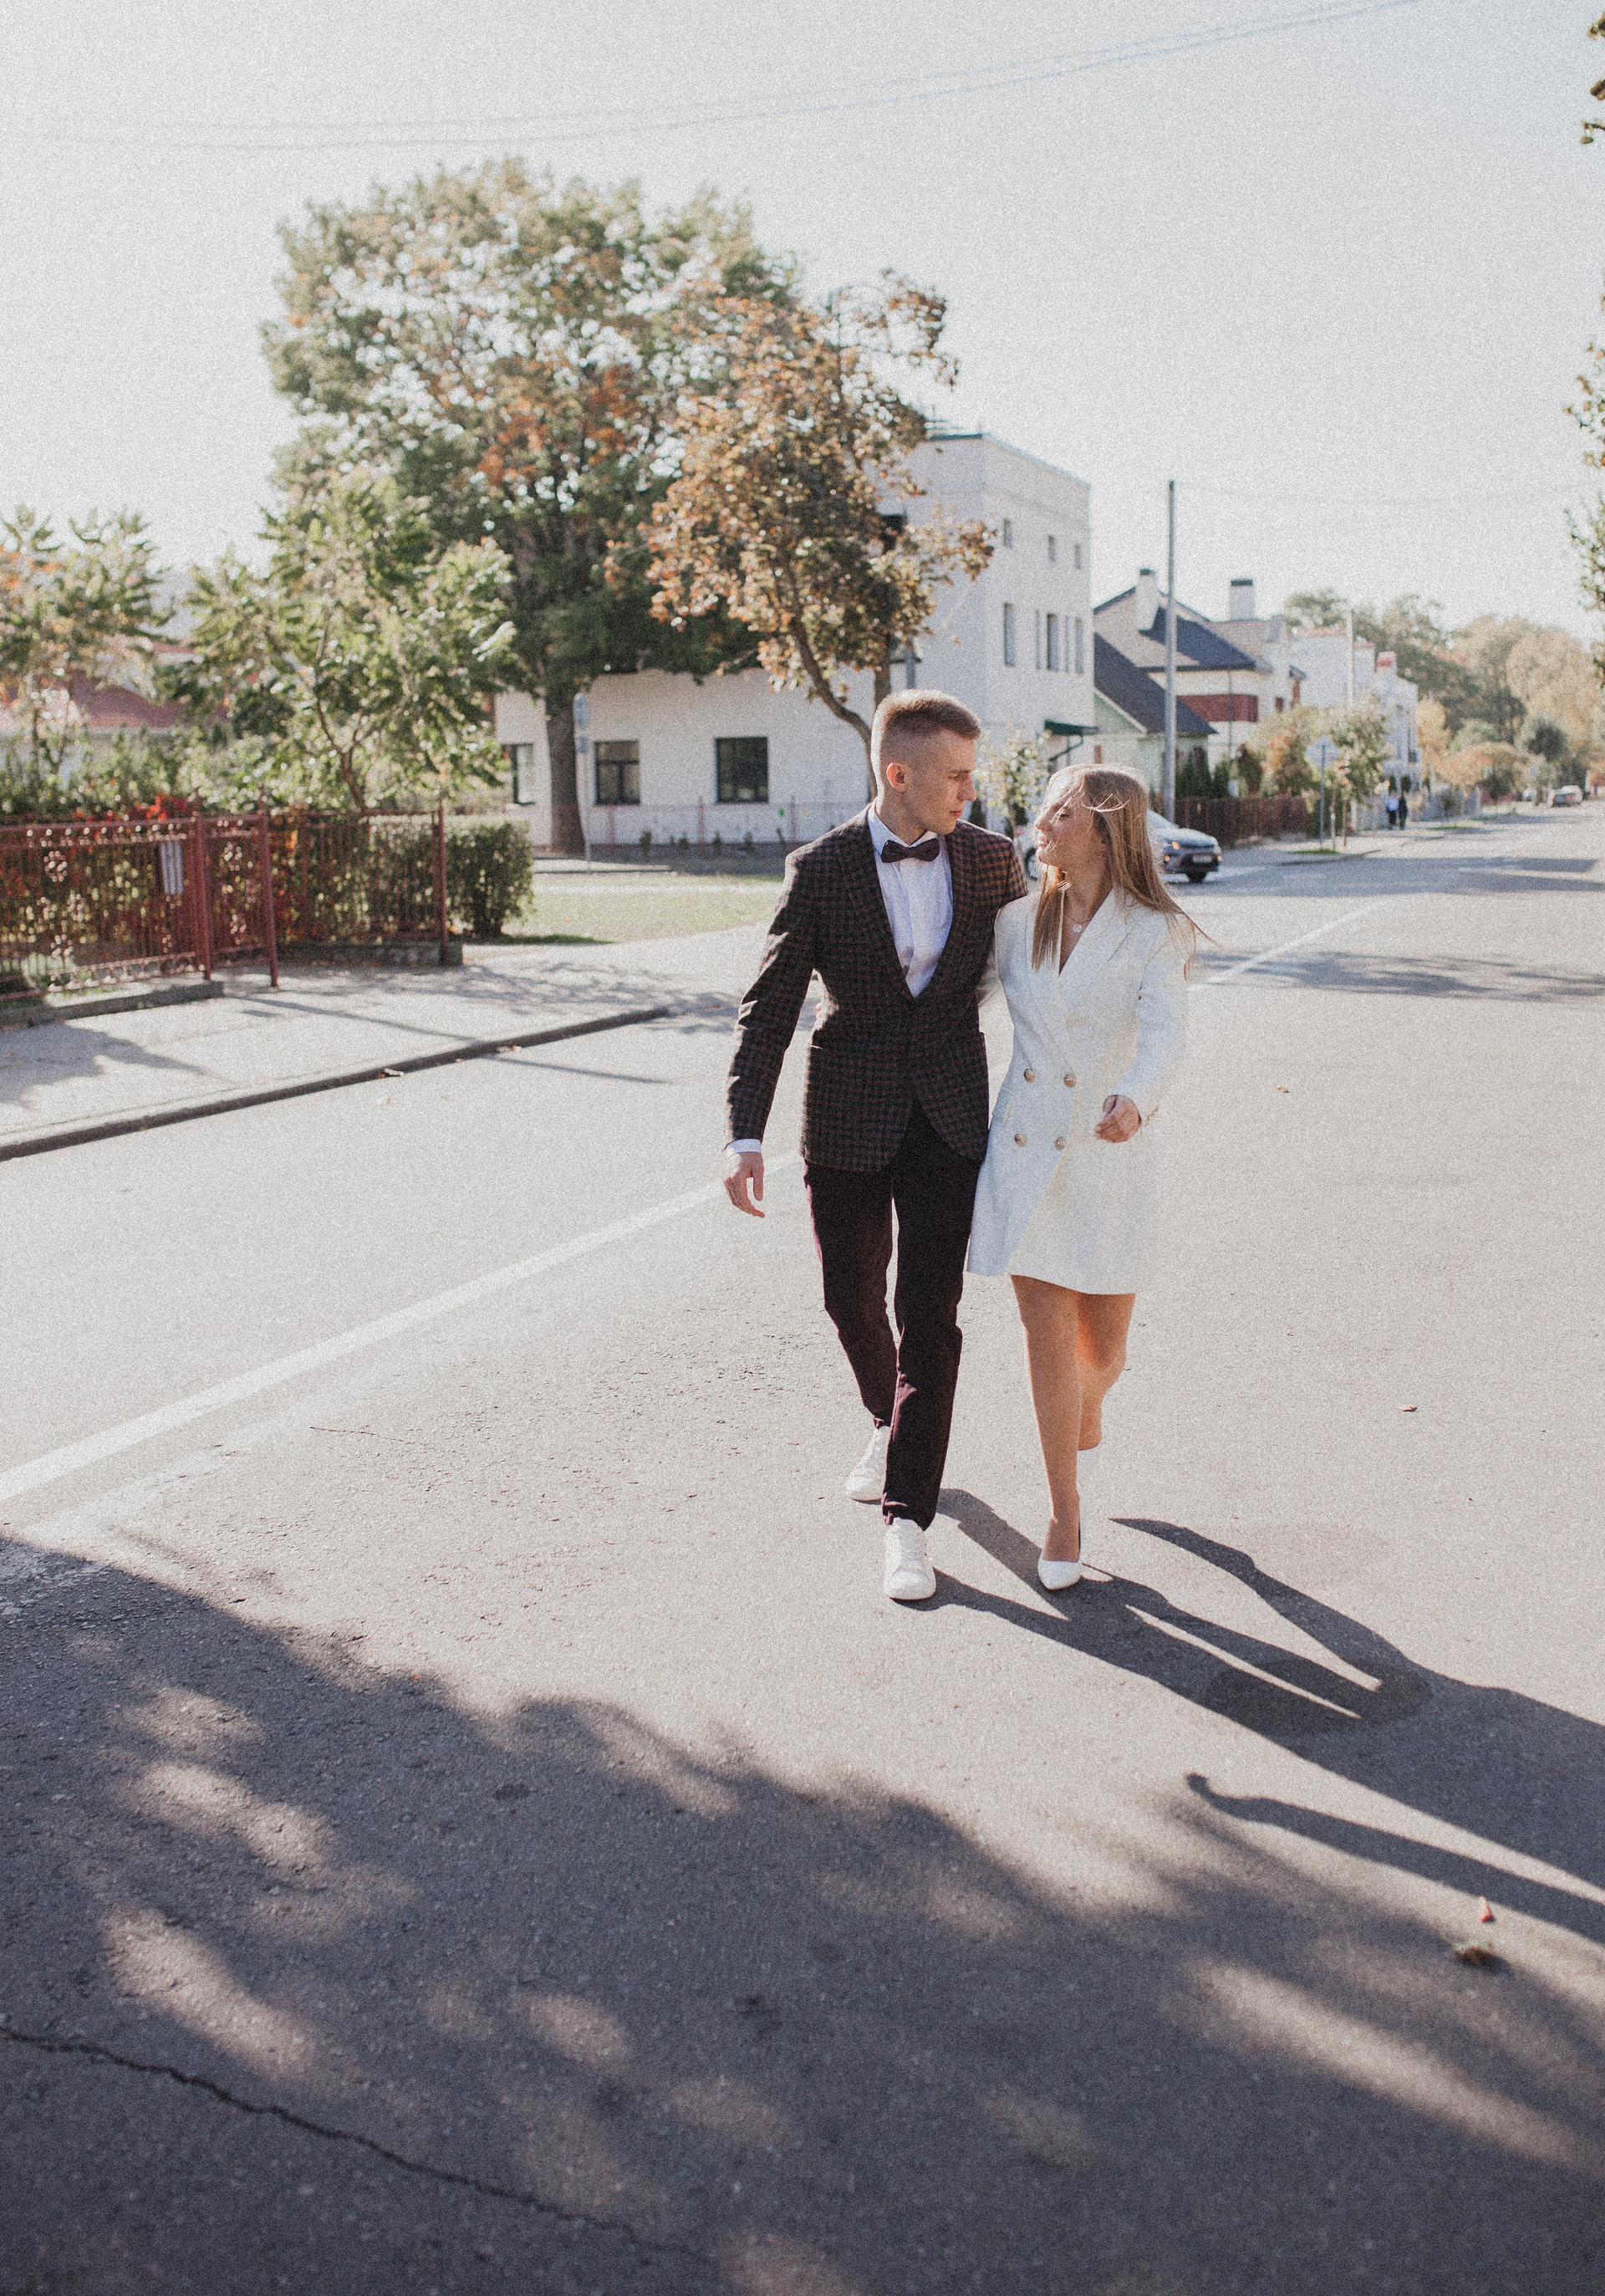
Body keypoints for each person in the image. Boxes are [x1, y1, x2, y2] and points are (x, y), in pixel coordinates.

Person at [723, 691, 1026, 1602]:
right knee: (849, 1297)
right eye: (956, 776)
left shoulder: (993, 861)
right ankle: (885, 1415)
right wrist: (744, 1132)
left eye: (973, 775)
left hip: (949, 1115)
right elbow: (770, 1005)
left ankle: (907, 1520)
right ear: (900, 773)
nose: (970, 791)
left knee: (930, 1314)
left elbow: (1043, 977)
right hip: (846, 1115)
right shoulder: (819, 870)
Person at [968, 764, 1195, 1591]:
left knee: (1103, 1356)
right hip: (1026, 1152)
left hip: (1106, 1153)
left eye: (1063, 812)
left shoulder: (1155, 931)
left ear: (1106, 829)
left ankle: (1087, 1411)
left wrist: (1137, 1098)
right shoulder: (1014, 923)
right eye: (1046, 808)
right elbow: (951, 1005)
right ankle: (1063, 1512)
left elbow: (1165, 1035)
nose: (1044, 822)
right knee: (1048, 1346)